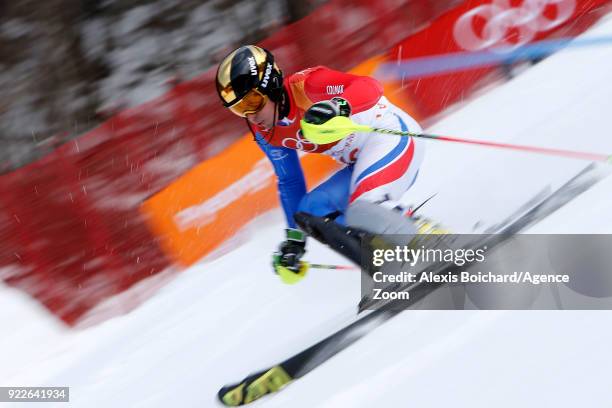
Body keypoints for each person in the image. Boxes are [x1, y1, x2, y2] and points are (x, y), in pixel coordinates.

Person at [215, 45, 427, 284]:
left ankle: (429, 242)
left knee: (365, 207)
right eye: (239, 108)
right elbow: (290, 180)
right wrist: (295, 241)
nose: (250, 115)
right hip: (360, 163)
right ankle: (392, 265)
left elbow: (369, 87)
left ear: (271, 85)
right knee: (310, 211)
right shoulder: (265, 131)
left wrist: (339, 105)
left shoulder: (307, 86)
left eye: (252, 100)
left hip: (392, 135)